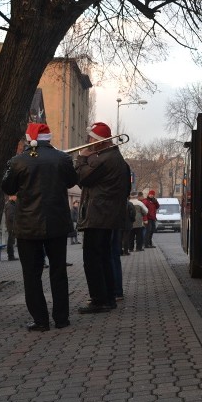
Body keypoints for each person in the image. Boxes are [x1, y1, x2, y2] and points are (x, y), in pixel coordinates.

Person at [1, 123, 78, 331]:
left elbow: (7, 186)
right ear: (49, 138)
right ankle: (61, 318)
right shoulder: (63, 158)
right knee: (58, 271)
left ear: (29, 138)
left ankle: (40, 320)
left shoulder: (17, 161)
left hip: (27, 224)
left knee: (31, 274)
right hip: (57, 223)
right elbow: (72, 181)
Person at [75, 122, 131, 314]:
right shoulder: (114, 157)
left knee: (93, 258)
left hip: (98, 215)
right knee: (104, 256)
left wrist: (81, 159)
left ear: (99, 142)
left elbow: (82, 178)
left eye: (91, 139)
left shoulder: (103, 160)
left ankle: (99, 300)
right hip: (107, 215)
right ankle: (108, 297)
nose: (88, 142)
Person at [4, 195, 18, 260]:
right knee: (11, 241)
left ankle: (11, 255)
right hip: (11, 225)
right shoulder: (10, 205)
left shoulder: (11, 204)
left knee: (11, 241)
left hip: (11, 225)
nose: (16, 197)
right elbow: (10, 216)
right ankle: (11, 256)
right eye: (15, 196)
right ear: (11, 197)